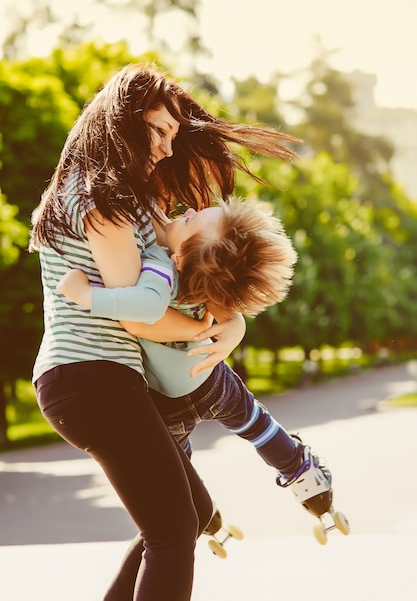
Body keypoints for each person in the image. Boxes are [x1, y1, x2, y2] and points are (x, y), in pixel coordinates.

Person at [29, 62, 299, 601]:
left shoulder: (127, 198)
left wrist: (233, 320)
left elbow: (182, 281)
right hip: (90, 380)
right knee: (173, 533)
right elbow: (137, 314)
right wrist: (211, 328)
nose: (168, 148)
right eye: (157, 130)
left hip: (104, 381)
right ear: (123, 124)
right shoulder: (101, 201)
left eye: (174, 135)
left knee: (187, 518)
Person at [58, 194, 333, 523]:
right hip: (209, 381)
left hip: (166, 395)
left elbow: (143, 308)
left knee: (177, 458)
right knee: (254, 422)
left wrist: (88, 296)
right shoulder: (207, 283)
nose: (187, 211)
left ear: (179, 258)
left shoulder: (160, 266)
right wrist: (233, 330)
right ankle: (301, 473)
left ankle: (203, 513)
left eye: (190, 220)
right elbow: (230, 316)